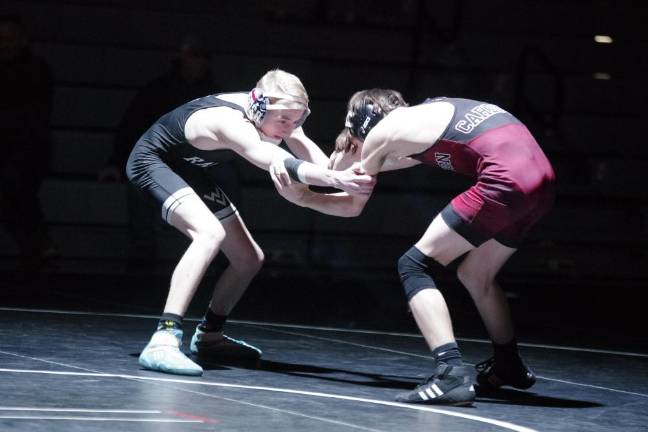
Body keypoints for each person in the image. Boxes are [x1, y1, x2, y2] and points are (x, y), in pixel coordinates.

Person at [272, 89, 555, 406]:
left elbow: (352, 204)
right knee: (476, 274)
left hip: (505, 180)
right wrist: (339, 159)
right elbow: (345, 170)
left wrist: (303, 197)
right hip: (542, 181)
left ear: (360, 127)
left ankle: (450, 374)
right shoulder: (426, 116)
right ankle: (508, 363)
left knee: (414, 264)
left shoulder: (381, 134)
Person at [126, 69, 374, 376]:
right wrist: (336, 178)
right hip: (153, 162)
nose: (290, 127)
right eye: (284, 119)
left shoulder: (278, 116)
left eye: (297, 119)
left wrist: (356, 163)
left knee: (248, 259)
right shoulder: (228, 121)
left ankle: (209, 336)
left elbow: (323, 170)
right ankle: (164, 338)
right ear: (258, 106)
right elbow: (267, 156)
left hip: (190, 170)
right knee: (209, 234)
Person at [100, 34, 241, 266]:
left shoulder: (215, 93)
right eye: (194, 55)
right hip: (163, 161)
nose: (199, 61)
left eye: (204, 56)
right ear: (181, 57)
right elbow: (131, 128)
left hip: (201, 162)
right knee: (138, 181)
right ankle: (142, 254)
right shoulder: (157, 89)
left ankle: (231, 252)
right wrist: (114, 162)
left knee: (228, 177)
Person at [0, 14, 57, 275]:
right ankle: (37, 244)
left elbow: (34, 118)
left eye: (11, 39)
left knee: (15, 183)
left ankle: (37, 244)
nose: (6, 44)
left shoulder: (36, 69)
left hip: (26, 148)